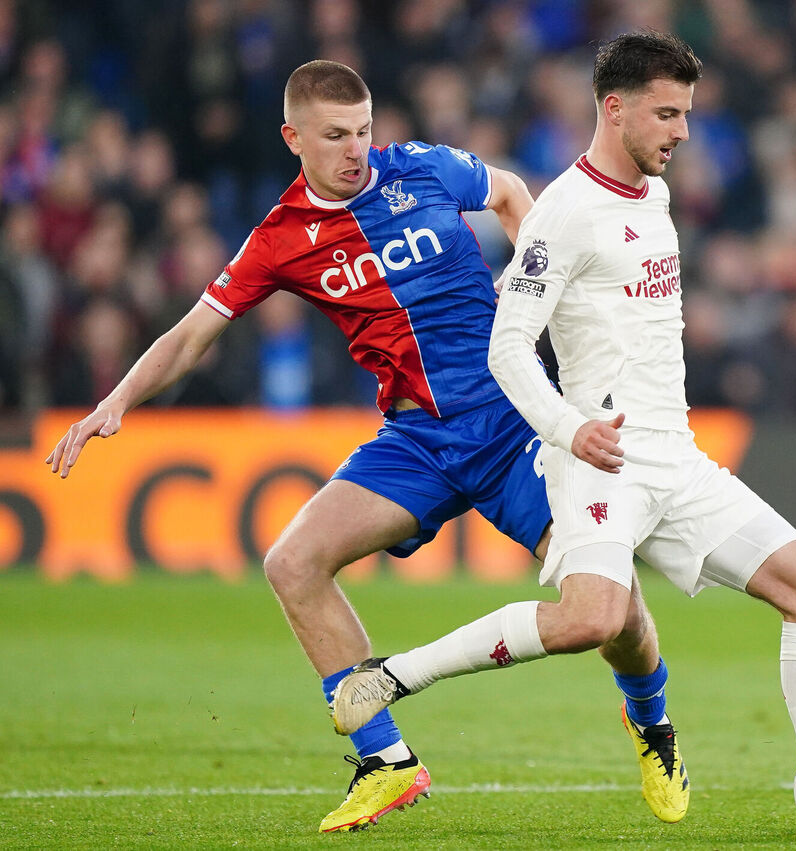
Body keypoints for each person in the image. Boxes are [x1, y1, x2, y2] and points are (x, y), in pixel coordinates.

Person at [45, 59, 686, 833]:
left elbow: (513, 193)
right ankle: (387, 760)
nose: (355, 150)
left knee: (611, 613)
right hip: (418, 440)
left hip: (516, 424)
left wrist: (536, 293)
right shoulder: (280, 238)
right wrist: (115, 401)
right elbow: (191, 335)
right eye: (335, 136)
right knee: (292, 562)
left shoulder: (422, 168)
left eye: (362, 131)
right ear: (293, 138)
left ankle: (651, 722)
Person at [332, 32, 796, 832]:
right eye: (666, 114)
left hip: (676, 459)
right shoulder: (563, 212)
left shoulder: (653, 195)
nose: (682, 131)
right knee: (592, 618)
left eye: (686, 114)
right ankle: (396, 674)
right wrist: (568, 427)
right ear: (614, 109)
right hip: (602, 461)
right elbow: (508, 346)